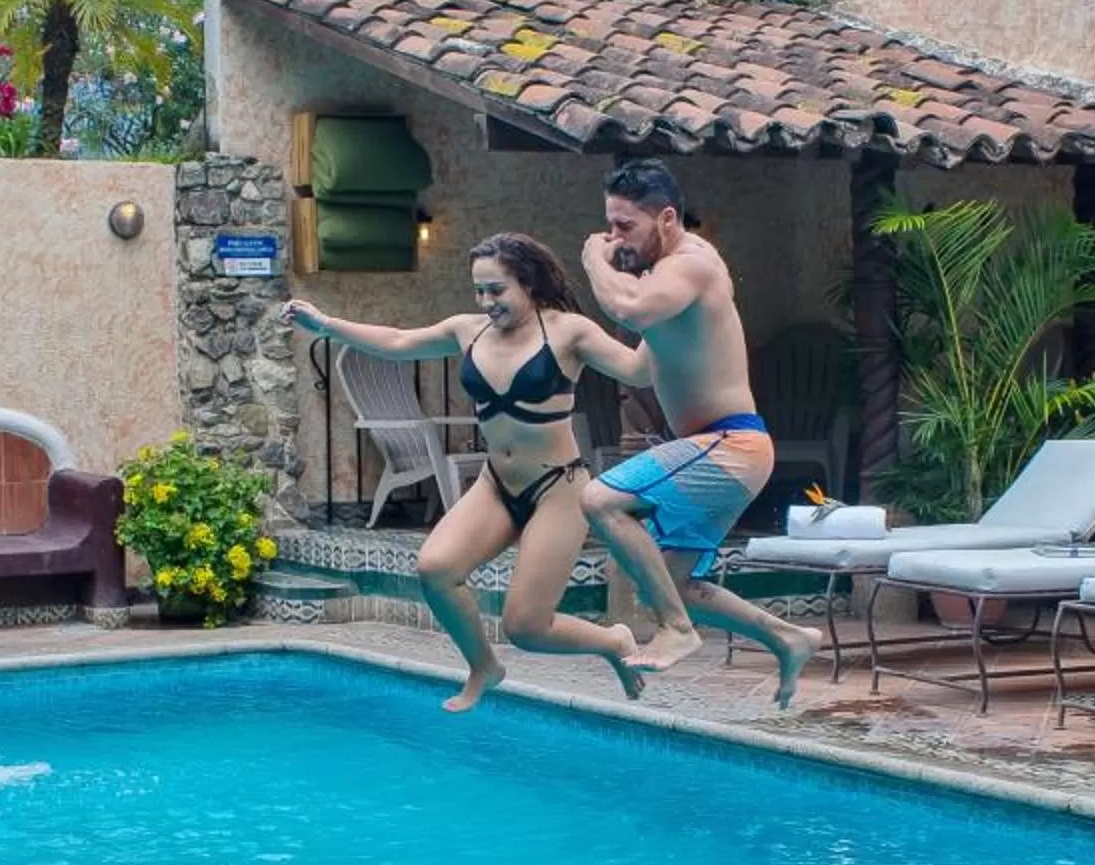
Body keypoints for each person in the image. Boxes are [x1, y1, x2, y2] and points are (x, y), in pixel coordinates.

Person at [285, 234, 654, 712]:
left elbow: (638, 372)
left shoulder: (569, 332)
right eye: (479, 291)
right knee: (435, 569)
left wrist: (657, 314)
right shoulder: (469, 330)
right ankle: (483, 666)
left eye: (496, 290)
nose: (486, 301)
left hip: (557, 488)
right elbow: (398, 341)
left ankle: (613, 642)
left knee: (526, 627)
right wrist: (326, 324)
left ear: (528, 283)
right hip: (496, 485)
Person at [575, 159, 823, 706]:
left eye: (624, 226)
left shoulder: (690, 264)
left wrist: (592, 259)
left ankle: (677, 629)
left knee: (600, 499)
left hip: (729, 445)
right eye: (609, 226)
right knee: (672, 584)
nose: (613, 238)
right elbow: (639, 368)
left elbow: (629, 308)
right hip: (721, 451)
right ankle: (788, 637)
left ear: (666, 219)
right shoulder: (666, 281)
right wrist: (568, 347)